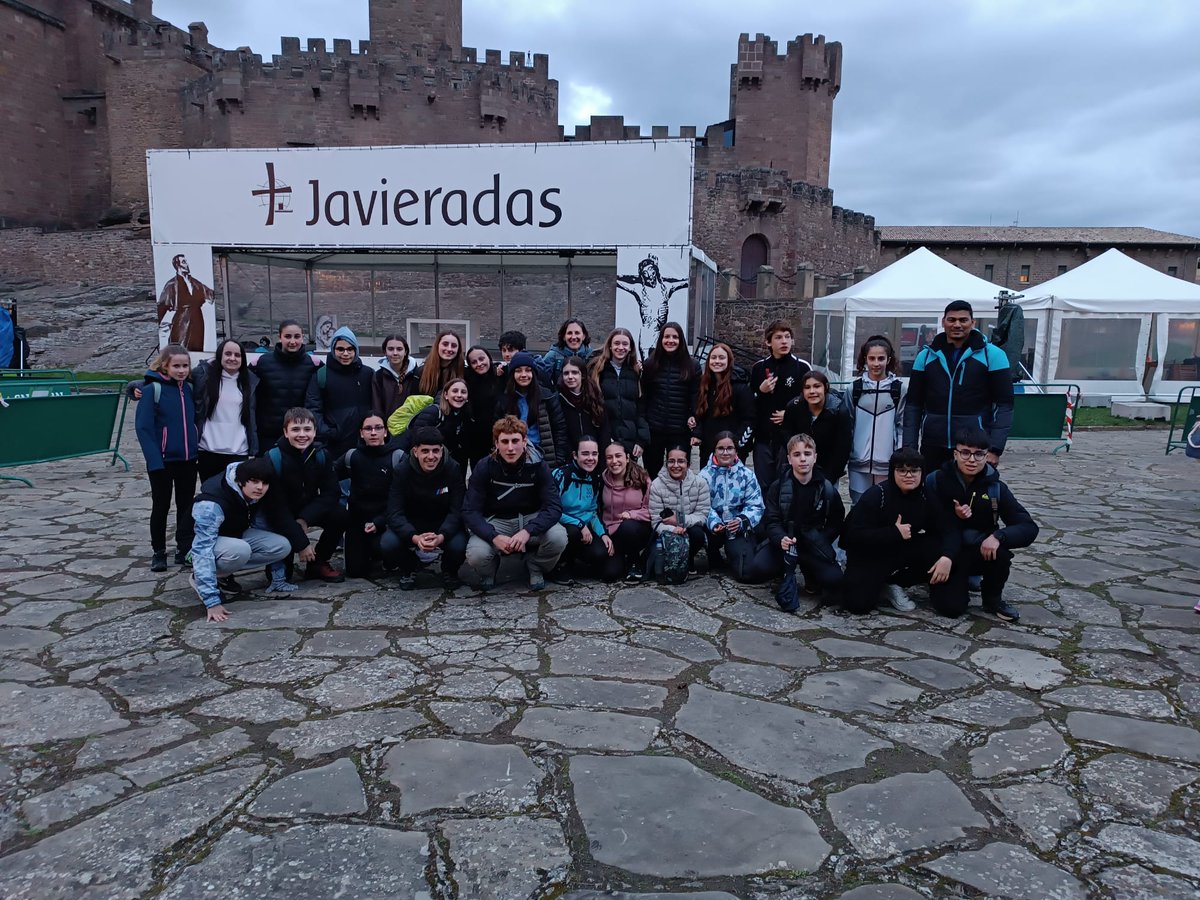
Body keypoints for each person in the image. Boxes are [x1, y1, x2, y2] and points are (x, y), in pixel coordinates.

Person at [924, 426, 1039, 622]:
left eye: (978, 454)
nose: (971, 460)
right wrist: (952, 517)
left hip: (979, 548)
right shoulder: (935, 480)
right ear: (955, 453)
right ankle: (944, 581)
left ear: (987, 456)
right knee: (951, 609)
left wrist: (998, 536)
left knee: (1000, 552)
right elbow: (925, 520)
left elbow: (1028, 527)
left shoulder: (996, 487)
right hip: (945, 551)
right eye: (965, 452)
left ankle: (993, 599)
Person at [840, 447, 956, 614]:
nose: (908, 476)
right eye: (902, 470)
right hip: (870, 553)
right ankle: (878, 583)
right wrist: (892, 532)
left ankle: (897, 582)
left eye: (914, 471)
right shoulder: (876, 496)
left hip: (903, 550)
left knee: (937, 547)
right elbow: (850, 536)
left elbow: (948, 529)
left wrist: (947, 557)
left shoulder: (926, 496)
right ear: (892, 472)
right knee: (858, 605)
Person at [904, 301, 1015, 472]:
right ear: (943, 322)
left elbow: (1005, 405)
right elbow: (913, 405)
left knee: (971, 498)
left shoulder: (993, 355)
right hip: (933, 445)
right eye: (952, 319)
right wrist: (909, 448)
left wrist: (995, 448)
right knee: (932, 496)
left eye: (963, 320)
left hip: (973, 450)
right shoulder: (925, 356)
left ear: (973, 322)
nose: (957, 324)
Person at [188, 457, 300, 623]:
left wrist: (278, 579)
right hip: (197, 546)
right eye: (254, 481)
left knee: (282, 545)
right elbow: (202, 549)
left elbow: (266, 527)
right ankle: (203, 577)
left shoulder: (256, 495)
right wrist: (211, 602)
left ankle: (222, 574)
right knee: (241, 550)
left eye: (265, 483)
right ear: (240, 481)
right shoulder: (211, 504)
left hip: (234, 535)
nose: (260, 487)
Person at [463, 415, 567, 591]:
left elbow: (553, 507)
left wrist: (528, 531)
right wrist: (493, 536)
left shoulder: (539, 466)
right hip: (496, 521)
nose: (510, 448)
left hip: (530, 518)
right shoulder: (484, 467)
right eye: (504, 442)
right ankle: (489, 570)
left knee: (558, 537)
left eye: (515, 441)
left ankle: (535, 566)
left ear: (525, 441)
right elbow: (469, 511)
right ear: (496, 443)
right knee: (476, 554)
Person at [751, 433, 846, 598]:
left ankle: (810, 572)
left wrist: (821, 540)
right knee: (759, 568)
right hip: (785, 542)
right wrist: (780, 538)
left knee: (835, 580)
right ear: (789, 459)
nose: (803, 459)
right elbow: (771, 520)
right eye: (797, 454)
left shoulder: (826, 488)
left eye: (807, 454)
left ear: (815, 457)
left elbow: (836, 521)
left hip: (811, 542)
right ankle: (781, 570)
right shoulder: (778, 486)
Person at [266, 407, 348, 583]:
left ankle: (318, 562)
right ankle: (283, 559)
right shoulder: (273, 458)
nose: (302, 435)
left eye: (307, 429)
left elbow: (331, 493)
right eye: (295, 429)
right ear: (285, 432)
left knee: (340, 514)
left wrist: (305, 519)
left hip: (308, 510)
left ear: (314, 432)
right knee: (281, 577)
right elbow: (275, 507)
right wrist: (301, 542)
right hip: (281, 515)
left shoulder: (321, 455)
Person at [135, 343, 199, 572]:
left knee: (186, 506)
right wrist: (154, 460)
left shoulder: (189, 389)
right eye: (176, 366)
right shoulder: (153, 390)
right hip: (162, 461)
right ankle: (159, 551)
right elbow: (143, 427)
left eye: (185, 366)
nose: (181, 370)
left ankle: (183, 549)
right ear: (165, 366)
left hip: (188, 459)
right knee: (160, 506)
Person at [383, 426, 467, 591]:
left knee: (459, 545)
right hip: (412, 523)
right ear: (415, 451)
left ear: (442, 451)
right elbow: (394, 512)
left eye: (436, 451)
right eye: (425, 451)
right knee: (388, 543)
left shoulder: (453, 468)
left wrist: (442, 535)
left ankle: (449, 570)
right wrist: (414, 537)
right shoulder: (402, 470)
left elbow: (458, 509)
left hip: (443, 524)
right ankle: (409, 567)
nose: (431, 456)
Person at [335, 414, 402, 579]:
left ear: (385, 432)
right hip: (359, 521)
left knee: (386, 546)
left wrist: (380, 522)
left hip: (388, 519)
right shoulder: (352, 456)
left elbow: (404, 498)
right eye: (368, 428)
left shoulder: (397, 457)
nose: (373, 432)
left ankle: (390, 557)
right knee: (355, 572)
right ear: (361, 433)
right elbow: (329, 477)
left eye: (378, 428)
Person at [749, 320, 810, 491]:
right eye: (778, 337)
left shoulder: (802, 367)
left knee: (786, 484)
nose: (784, 341)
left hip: (789, 439)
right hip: (763, 438)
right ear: (768, 342)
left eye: (787, 337)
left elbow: (811, 400)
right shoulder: (759, 368)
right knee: (764, 486)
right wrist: (760, 390)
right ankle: (767, 517)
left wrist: (789, 413)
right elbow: (749, 403)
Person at [699, 432, 764, 582]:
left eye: (730, 448)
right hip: (714, 526)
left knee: (745, 573)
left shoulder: (747, 475)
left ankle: (738, 551)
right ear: (714, 450)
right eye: (720, 448)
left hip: (737, 526)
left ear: (736, 450)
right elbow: (701, 504)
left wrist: (741, 521)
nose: (725, 452)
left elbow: (756, 504)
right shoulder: (704, 475)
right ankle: (712, 551)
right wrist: (714, 523)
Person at [192, 338, 259, 483]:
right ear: (220, 355)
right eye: (228, 354)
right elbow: (172, 379)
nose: (232, 358)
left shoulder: (251, 381)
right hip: (208, 450)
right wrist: (139, 386)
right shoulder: (202, 376)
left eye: (237, 355)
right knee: (210, 498)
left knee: (234, 499)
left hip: (238, 452)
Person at [848, 335, 905, 503]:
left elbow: (902, 425)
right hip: (858, 462)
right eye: (872, 358)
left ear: (889, 359)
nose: (876, 363)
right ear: (865, 359)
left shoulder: (899, 389)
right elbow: (848, 425)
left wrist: (899, 455)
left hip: (887, 463)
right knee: (859, 506)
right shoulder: (855, 388)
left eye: (881, 358)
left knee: (886, 506)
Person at [640, 321, 700, 478]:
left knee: (678, 473)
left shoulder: (692, 365)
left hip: (680, 430)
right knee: (652, 474)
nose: (670, 340)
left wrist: (694, 415)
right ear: (661, 339)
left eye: (675, 337)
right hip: (654, 429)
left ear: (681, 340)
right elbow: (644, 396)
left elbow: (696, 395)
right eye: (667, 336)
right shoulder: (650, 364)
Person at [306, 326, 373, 457]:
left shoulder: (368, 374)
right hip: (334, 445)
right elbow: (313, 409)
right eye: (340, 349)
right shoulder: (321, 375)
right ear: (333, 350)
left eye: (350, 349)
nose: (345, 354)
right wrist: (328, 432)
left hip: (364, 443)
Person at [551, 436, 613, 579]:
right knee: (573, 532)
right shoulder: (561, 474)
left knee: (601, 554)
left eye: (594, 454)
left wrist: (603, 534)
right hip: (562, 525)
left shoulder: (595, 479)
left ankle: (574, 560)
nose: (590, 458)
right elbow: (551, 509)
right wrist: (578, 524)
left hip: (584, 529)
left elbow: (592, 512)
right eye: (585, 453)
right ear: (575, 455)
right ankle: (560, 564)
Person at [495, 351, 569, 468]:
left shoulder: (547, 397)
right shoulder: (504, 400)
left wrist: (559, 459)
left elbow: (560, 429)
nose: (524, 374)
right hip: (514, 456)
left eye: (528, 370)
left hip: (544, 457)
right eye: (518, 371)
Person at [254, 320, 317, 452]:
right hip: (268, 436)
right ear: (280, 337)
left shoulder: (313, 365)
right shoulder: (262, 363)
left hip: (300, 436)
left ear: (302, 337)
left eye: (297, 336)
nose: (293, 341)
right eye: (288, 336)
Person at [782, 371, 853, 486]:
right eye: (807, 387)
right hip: (799, 468)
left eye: (817, 386)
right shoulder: (794, 407)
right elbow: (787, 436)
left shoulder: (839, 410)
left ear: (825, 387)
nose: (812, 391)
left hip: (829, 468)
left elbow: (842, 449)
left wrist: (829, 478)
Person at [649, 444, 711, 575]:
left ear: (688, 464)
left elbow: (702, 515)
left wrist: (680, 520)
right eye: (671, 461)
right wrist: (674, 529)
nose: (675, 465)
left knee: (698, 534)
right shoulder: (656, 485)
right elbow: (656, 521)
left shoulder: (700, 483)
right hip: (667, 531)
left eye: (681, 461)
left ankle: (688, 559)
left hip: (690, 526)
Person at [616, 254, 688, 361]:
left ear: (655, 271)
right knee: (646, 366)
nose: (649, 275)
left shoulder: (666, 288)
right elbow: (619, 282)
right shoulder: (640, 289)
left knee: (663, 364)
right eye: (645, 273)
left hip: (661, 334)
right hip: (647, 334)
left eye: (650, 270)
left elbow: (685, 281)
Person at [592, 327, 649, 460]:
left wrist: (641, 441)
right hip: (605, 437)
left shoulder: (636, 372)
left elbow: (641, 410)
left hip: (630, 440)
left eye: (625, 344)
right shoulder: (598, 370)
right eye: (617, 343)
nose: (620, 347)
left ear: (630, 348)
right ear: (610, 346)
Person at [600, 441, 653, 583]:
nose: (614, 461)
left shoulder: (641, 479)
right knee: (610, 574)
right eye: (609, 457)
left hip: (636, 529)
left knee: (628, 527)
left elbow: (653, 510)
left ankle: (635, 560)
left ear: (627, 457)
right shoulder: (602, 481)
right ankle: (621, 559)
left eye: (618, 456)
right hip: (612, 532)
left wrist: (632, 515)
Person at [692, 342, 753, 464]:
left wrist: (736, 446)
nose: (717, 361)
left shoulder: (740, 387)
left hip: (733, 452)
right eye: (713, 358)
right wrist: (698, 433)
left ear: (729, 360)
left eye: (721, 357)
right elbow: (700, 414)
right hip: (708, 451)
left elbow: (749, 419)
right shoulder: (705, 385)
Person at [399, 377, 473, 469]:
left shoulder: (464, 416)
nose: (459, 395)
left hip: (443, 462)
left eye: (463, 392)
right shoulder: (433, 412)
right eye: (455, 391)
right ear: (446, 395)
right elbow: (416, 438)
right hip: (425, 462)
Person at [157, 254, 213, 352]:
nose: (187, 264)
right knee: (180, 348)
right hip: (182, 320)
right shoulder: (171, 284)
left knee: (197, 347)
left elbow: (210, 294)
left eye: (186, 261)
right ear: (177, 265)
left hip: (197, 319)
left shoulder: (195, 282)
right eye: (183, 262)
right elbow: (161, 306)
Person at [557, 356, 611, 452]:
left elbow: (604, 434)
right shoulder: (557, 401)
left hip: (595, 457)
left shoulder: (595, 398)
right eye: (566, 373)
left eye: (574, 372)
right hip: (570, 459)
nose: (570, 377)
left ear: (582, 375)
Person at [464, 345, 503, 464]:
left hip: (498, 433)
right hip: (476, 437)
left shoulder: (501, 376)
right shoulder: (467, 378)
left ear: (489, 358)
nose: (479, 364)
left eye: (482, 359)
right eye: (474, 362)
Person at [371, 334, 417, 422]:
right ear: (385, 351)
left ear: (406, 351)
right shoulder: (378, 376)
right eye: (390, 349)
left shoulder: (416, 374)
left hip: (411, 428)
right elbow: (377, 407)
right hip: (387, 429)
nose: (395, 353)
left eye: (399, 349)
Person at [537, 317, 591, 386]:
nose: (573, 337)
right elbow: (541, 381)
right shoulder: (553, 356)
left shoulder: (592, 356)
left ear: (583, 336)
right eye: (569, 333)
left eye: (577, 333)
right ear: (563, 337)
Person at [414, 330, 465, 398]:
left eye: (454, 346)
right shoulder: (421, 372)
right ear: (437, 346)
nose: (449, 349)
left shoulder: (464, 372)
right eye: (445, 344)